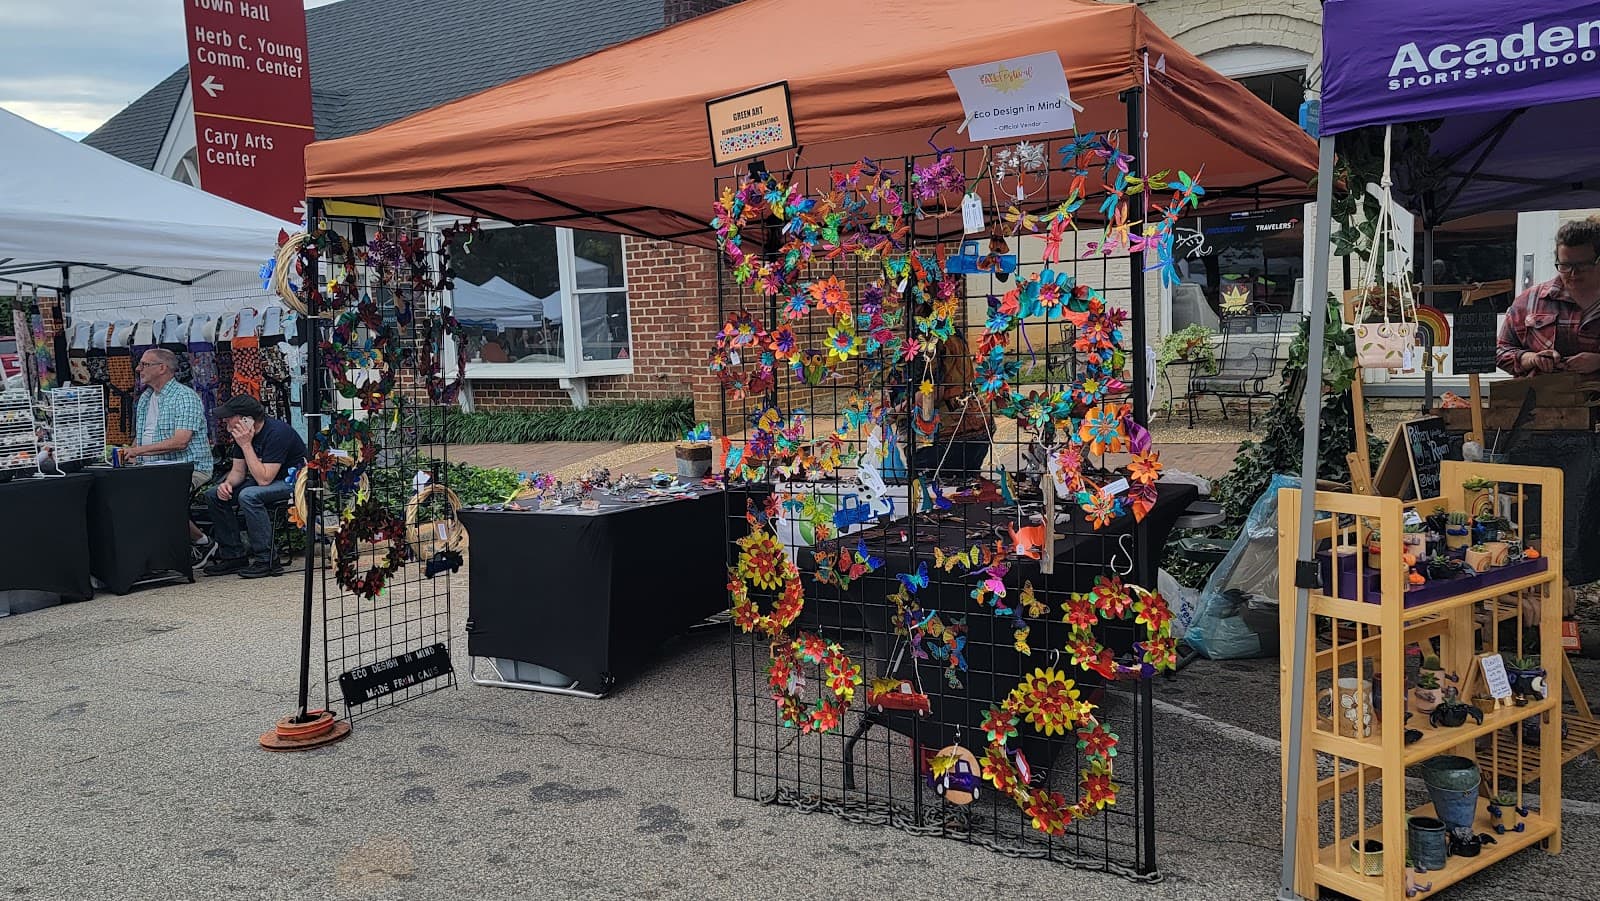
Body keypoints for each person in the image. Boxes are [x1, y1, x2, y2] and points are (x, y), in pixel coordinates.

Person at [120, 347, 216, 565]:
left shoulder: (184, 397)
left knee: (156, 496)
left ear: (162, 368)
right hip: (152, 468)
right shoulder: (145, 398)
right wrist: (130, 453)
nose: (138, 369)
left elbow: (180, 441)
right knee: (122, 494)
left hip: (188, 467)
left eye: (144, 364)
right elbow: (141, 438)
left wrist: (138, 451)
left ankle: (203, 542)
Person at [203, 395, 306, 578]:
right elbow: (238, 472)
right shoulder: (242, 435)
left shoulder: (277, 433)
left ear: (247, 419)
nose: (225, 421)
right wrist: (227, 485)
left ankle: (267, 559)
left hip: (292, 482)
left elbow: (264, 479)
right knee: (214, 494)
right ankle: (233, 555)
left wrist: (246, 445)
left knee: (249, 495)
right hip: (266, 479)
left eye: (229, 417)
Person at [1496, 216, 1600, 376]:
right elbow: (1500, 350)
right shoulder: (1530, 300)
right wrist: (1531, 358)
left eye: (1583, 265)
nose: (1573, 273)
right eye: (1565, 265)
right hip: (1543, 391)